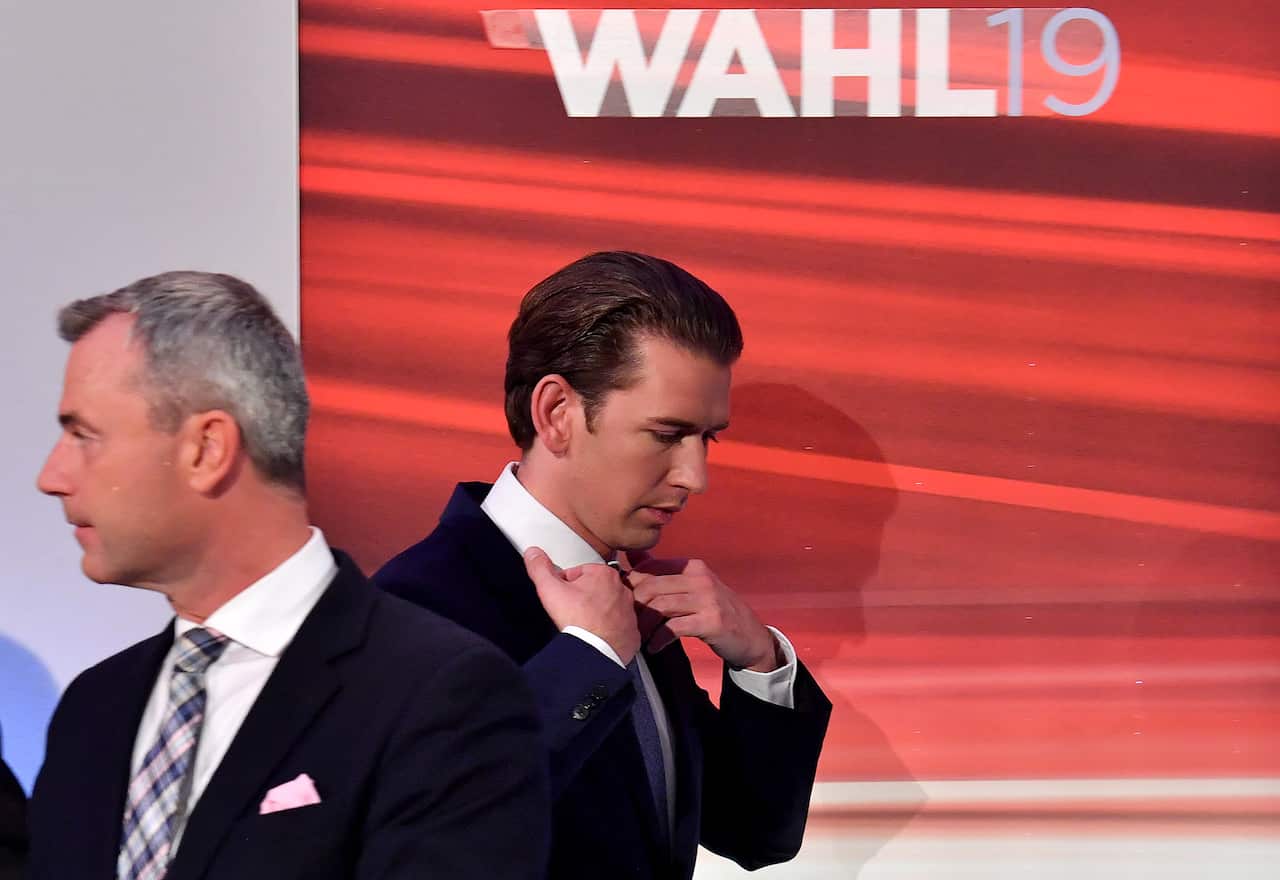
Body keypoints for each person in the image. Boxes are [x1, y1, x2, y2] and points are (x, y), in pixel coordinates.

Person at [28, 271, 549, 880]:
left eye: (84, 436)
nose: (52, 475)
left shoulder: (441, 695)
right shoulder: (95, 709)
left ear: (207, 450)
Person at [374, 251, 832, 880]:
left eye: (709, 439)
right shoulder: (412, 607)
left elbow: (754, 833)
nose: (695, 477)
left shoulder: (629, 596)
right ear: (557, 414)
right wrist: (587, 658)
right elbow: (429, 842)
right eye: (667, 435)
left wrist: (757, 660)